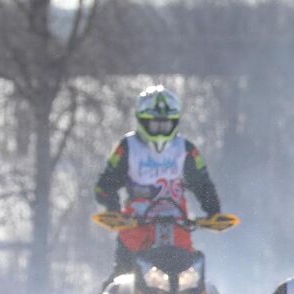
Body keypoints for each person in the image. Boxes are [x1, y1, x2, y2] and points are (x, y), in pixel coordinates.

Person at [93, 84, 223, 277]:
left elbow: (202, 184)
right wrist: (113, 208)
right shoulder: (128, 146)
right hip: (136, 227)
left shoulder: (185, 149)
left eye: (166, 124)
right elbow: (105, 185)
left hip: (177, 227)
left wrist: (213, 210)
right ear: (142, 121)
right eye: (154, 125)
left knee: (196, 283)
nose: (160, 130)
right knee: (118, 284)